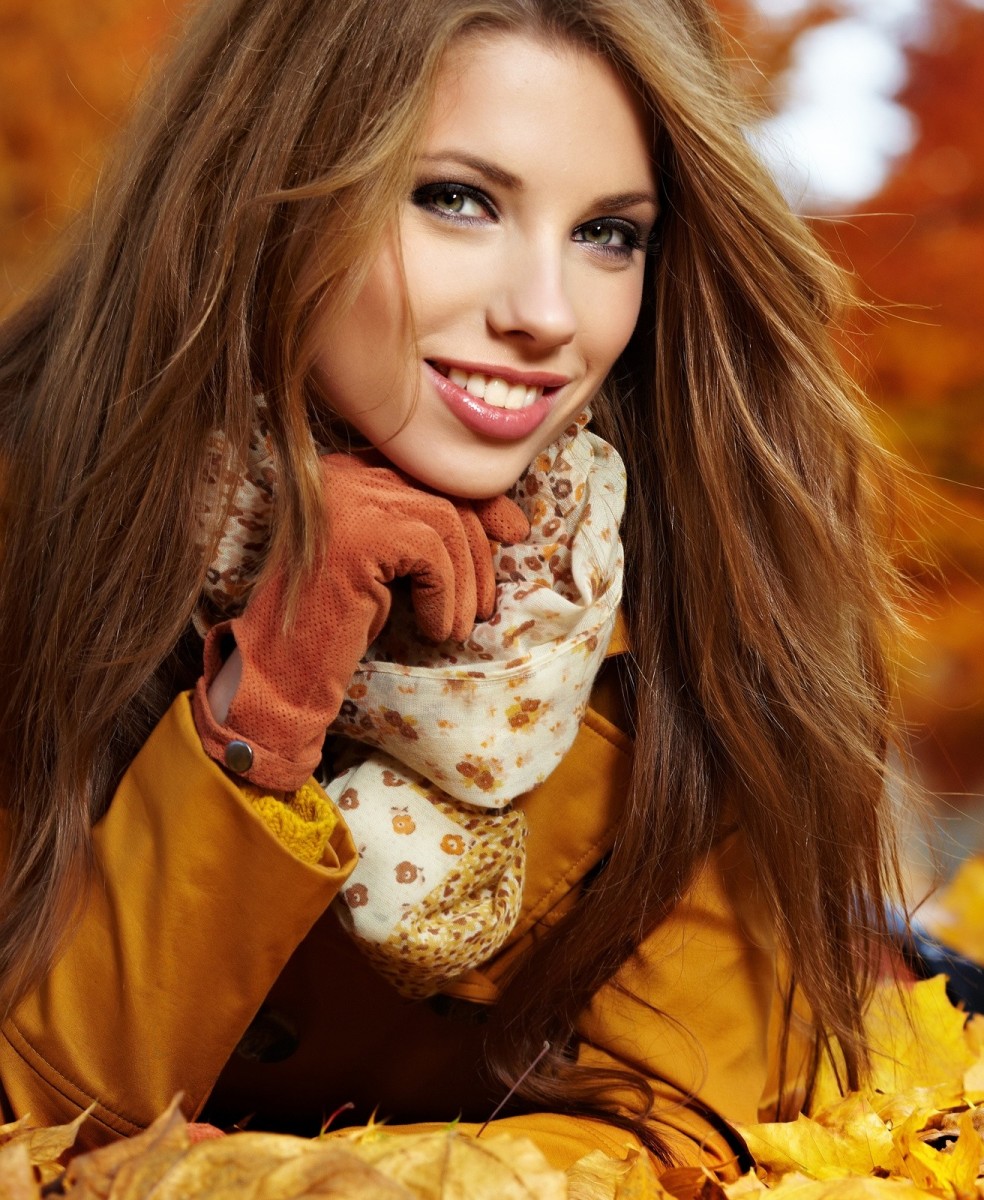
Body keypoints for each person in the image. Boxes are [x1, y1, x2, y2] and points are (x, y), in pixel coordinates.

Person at [0, 0, 909, 1172]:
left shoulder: (709, 569)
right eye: (456, 200)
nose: (545, 314)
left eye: (609, 235)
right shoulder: (38, 520)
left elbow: (679, 1139)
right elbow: (27, 1114)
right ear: (270, 192)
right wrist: (267, 700)